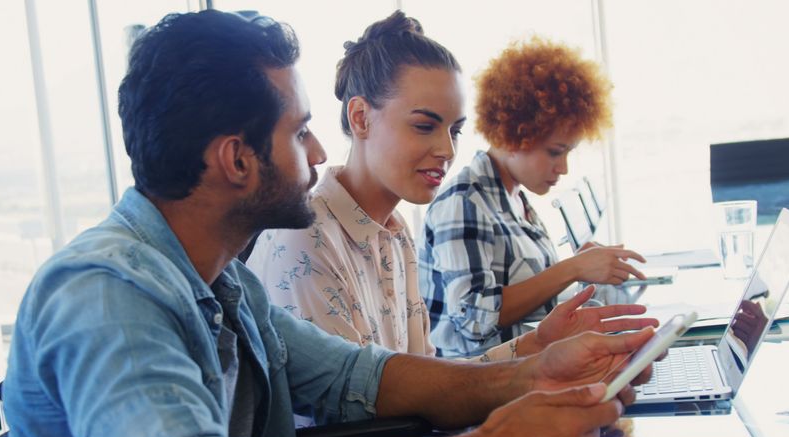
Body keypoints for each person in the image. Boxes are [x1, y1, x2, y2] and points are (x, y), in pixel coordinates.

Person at [0, 11, 655, 437]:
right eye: (299, 131)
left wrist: (532, 375)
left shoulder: (223, 284)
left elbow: (360, 376)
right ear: (237, 158)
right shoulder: (107, 292)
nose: (318, 153)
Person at [246, 13, 656, 364]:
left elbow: (427, 378)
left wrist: (541, 341)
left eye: (455, 130)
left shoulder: (394, 231)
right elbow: (356, 417)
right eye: (424, 125)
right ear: (361, 118)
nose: (446, 149)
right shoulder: (305, 239)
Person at [420, 37, 648, 359]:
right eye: (555, 152)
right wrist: (570, 269)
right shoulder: (465, 202)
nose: (564, 168)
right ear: (513, 134)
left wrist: (578, 266)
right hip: (481, 393)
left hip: (527, 373)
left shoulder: (515, 197)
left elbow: (529, 298)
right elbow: (474, 320)